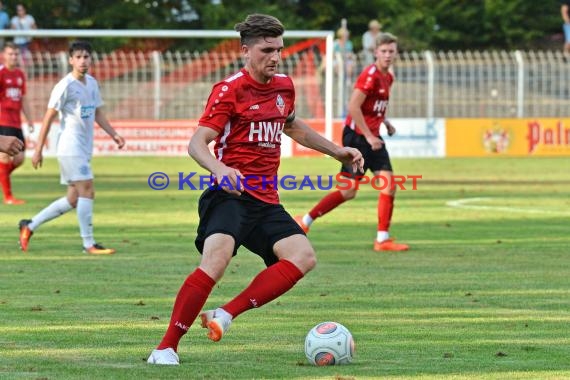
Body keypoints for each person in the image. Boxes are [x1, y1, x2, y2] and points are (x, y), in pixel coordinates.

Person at [147, 13, 363, 366]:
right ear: (245, 50)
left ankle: (225, 314)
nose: (275, 57)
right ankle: (166, 347)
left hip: (265, 200)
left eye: (279, 49)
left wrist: (337, 150)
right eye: (266, 50)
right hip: (229, 195)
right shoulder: (229, 90)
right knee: (215, 261)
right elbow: (197, 143)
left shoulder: (283, 87)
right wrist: (220, 168)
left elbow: (292, 127)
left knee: (303, 256)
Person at [295, 33, 409, 252]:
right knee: (348, 192)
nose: (387, 55)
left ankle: (382, 239)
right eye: (383, 51)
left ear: (395, 53)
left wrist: (385, 122)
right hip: (358, 138)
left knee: (389, 186)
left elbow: (373, 106)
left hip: (373, 137)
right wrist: (368, 136)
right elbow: (354, 107)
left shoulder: (388, 76)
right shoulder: (370, 75)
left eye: (391, 51)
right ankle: (305, 221)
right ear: (375, 52)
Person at [18, 40, 126, 254]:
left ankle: (29, 226)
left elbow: (97, 113)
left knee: (73, 198)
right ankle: (89, 244)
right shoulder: (64, 86)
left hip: (84, 148)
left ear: (91, 59)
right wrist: (38, 149)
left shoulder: (92, 84)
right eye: (78, 57)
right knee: (88, 190)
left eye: (86, 56)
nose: (82, 60)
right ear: (70, 60)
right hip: (70, 147)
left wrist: (114, 134)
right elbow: (49, 116)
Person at [0, 42, 34, 205]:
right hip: (3, 120)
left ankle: (2, 175)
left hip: (16, 122)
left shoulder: (20, 74)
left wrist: (30, 118)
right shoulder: (1, 73)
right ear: (3, 55)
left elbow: (24, 98)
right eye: (10, 54)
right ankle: (8, 197)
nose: (13, 57)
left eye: (15, 54)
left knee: (19, 158)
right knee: (5, 157)